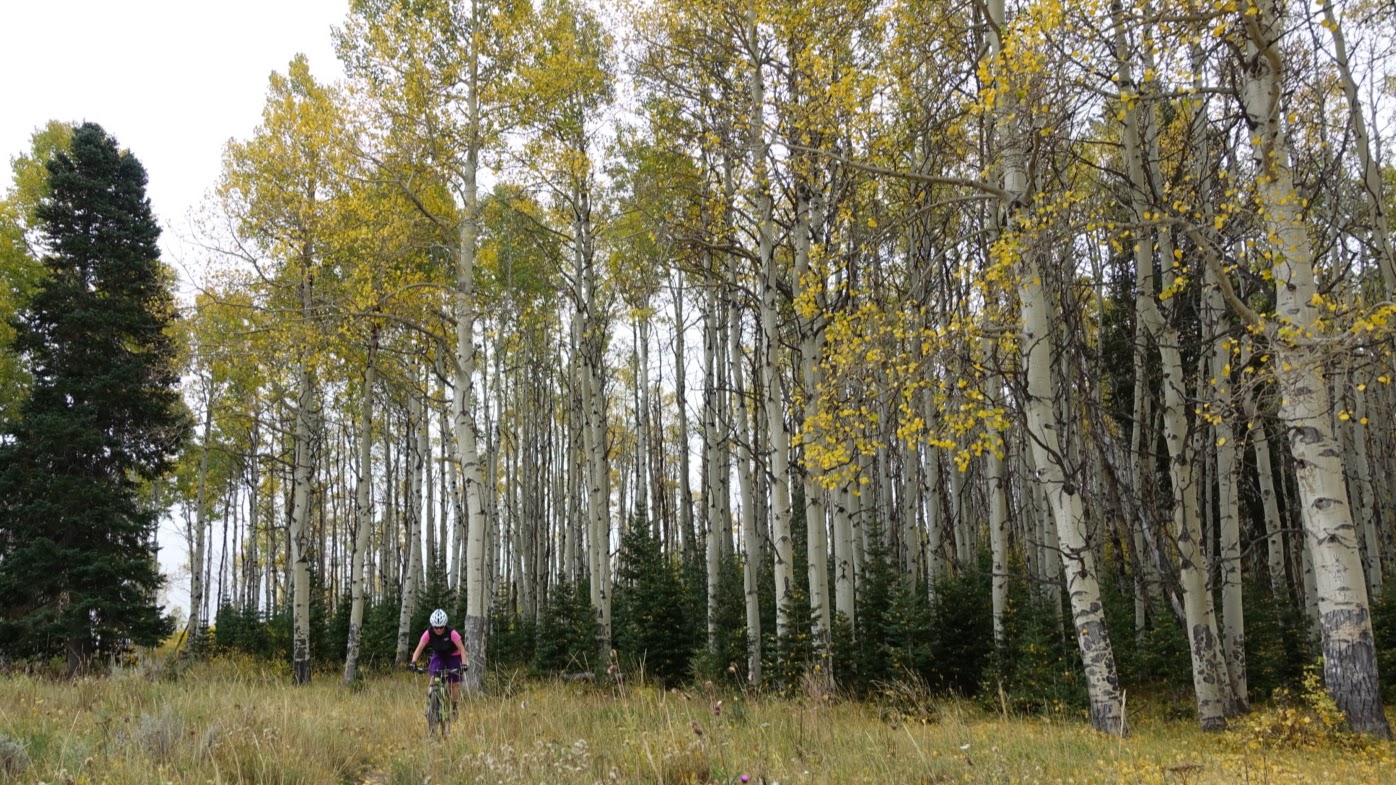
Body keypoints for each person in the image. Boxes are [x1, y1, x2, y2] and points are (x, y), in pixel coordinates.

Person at [409, 608, 468, 717]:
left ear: (445, 625)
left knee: (453, 684)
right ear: (432, 626)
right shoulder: (428, 633)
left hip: (454, 655)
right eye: (436, 627)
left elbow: (462, 649)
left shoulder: (452, 633)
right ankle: (431, 704)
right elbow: (419, 648)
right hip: (439, 655)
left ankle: (454, 708)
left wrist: (464, 664)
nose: (439, 629)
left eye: (441, 627)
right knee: (433, 675)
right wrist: (413, 661)